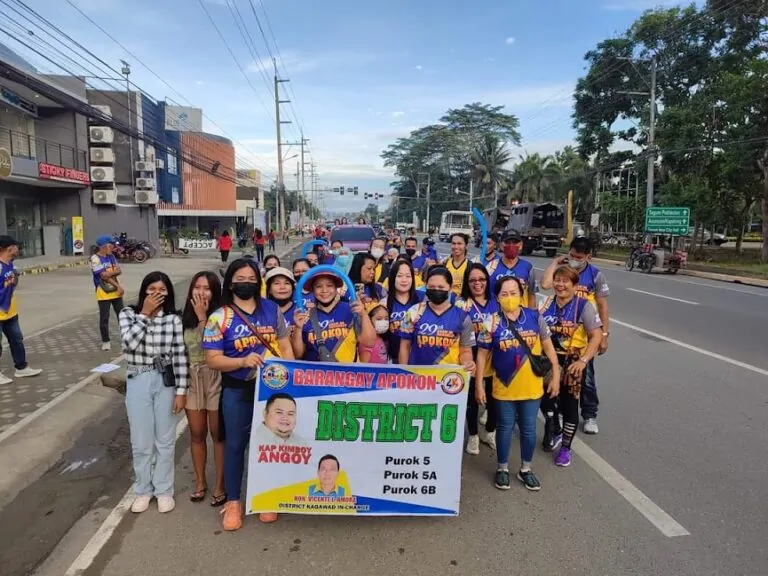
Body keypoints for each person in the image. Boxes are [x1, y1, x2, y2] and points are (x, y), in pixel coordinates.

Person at [202, 258, 294, 531]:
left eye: (251, 278)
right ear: (231, 283)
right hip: (237, 389)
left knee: (270, 445)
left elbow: (285, 347)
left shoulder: (271, 309)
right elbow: (213, 359)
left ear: (259, 281)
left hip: (271, 392)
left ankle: (266, 496)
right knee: (235, 446)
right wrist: (241, 362)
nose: (246, 283)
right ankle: (233, 502)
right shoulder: (220, 317)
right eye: (240, 279)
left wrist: (288, 378)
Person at [476, 276, 560, 491]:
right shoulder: (491, 321)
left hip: (532, 386)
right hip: (504, 385)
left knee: (529, 429)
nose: (510, 297)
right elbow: (482, 356)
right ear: (497, 297)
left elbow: (549, 347)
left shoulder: (534, 317)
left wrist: (556, 377)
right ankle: (502, 469)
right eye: (504, 294)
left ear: (521, 294)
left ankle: (525, 469)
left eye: (514, 293)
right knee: (504, 427)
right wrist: (478, 385)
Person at [119, 271, 189, 514]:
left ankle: (163, 490)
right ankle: (143, 489)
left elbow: (180, 354)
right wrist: (145, 315)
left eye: (162, 290)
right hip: (138, 377)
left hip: (165, 380)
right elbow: (129, 344)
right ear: (144, 291)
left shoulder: (173, 319)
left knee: (165, 439)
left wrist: (182, 390)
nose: (157, 294)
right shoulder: (128, 314)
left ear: (168, 292)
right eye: (152, 290)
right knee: (141, 441)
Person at [539, 236, 609, 435]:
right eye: (571, 255)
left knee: (586, 378)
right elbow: (545, 285)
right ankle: (560, 413)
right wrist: (555, 263)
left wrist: (604, 334)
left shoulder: (595, 275)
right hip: (558, 337)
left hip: (582, 339)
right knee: (555, 379)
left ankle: (589, 414)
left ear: (588, 256)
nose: (574, 259)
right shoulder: (561, 272)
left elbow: (602, 306)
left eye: (579, 257)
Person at [539, 265, 603, 465]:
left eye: (565, 281)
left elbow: (596, 335)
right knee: (545, 401)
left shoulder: (584, 306)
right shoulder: (547, 302)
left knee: (569, 407)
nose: (560, 285)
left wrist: (584, 361)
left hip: (572, 361)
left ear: (575, 285)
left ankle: (566, 448)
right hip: (548, 361)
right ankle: (555, 428)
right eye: (557, 280)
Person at [181, 271, 225, 507]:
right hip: (192, 378)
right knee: (197, 433)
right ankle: (200, 481)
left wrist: (202, 318)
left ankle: (220, 484)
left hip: (216, 376)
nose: (201, 292)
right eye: (197, 287)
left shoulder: (223, 315)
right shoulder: (183, 317)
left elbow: (211, 344)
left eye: (207, 288)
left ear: (215, 292)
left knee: (218, 434)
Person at [397, 266, 475, 374]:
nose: (436, 290)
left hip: (448, 381)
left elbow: (466, 350)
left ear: (450, 288)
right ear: (426, 286)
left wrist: (468, 362)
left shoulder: (463, 317)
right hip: (417, 379)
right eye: (432, 287)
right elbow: (404, 346)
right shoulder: (414, 312)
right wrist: (404, 373)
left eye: (441, 287)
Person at [457, 263, 498, 454]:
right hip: (472, 357)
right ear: (467, 282)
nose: (477, 283)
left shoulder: (496, 302)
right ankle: (472, 435)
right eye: (472, 280)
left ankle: (490, 431)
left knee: (495, 399)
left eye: (481, 279)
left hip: (495, 358)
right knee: (472, 400)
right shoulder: (460, 303)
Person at [292, 270, 375, 363]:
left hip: (346, 374)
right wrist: (298, 328)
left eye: (329, 285)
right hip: (315, 375)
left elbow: (369, 342)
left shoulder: (351, 309)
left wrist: (363, 314)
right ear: (312, 290)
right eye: (319, 286)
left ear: (336, 288)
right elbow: (298, 354)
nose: (324, 290)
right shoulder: (305, 316)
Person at [0, 236, 42, 384]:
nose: (18, 249)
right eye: (15, 246)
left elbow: (11, 285)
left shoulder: (10, 264)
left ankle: (21, 368)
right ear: (8, 248)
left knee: (17, 339)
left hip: (11, 311)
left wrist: (15, 277)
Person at [91, 235, 125, 352]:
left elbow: (118, 271)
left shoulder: (111, 257)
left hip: (116, 291)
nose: (112, 247)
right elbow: (103, 276)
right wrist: (117, 284)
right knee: (104, 318)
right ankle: (106, 341)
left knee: (122, 316)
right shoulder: (95, 259)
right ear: (103, 246)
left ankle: (125, 340)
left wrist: (111, 274)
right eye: (110, 245)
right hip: (103, 292)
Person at [384, 259, 423, 361]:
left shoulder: (423, 299)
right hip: (393, 358)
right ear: (393, 278)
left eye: (408, 276)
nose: (404, 280)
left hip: (419, 359)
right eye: (400, 276)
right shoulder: (384, 303)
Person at [489, 229, 537, 308]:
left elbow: (531, 294)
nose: (511, 246)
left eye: (515, 243)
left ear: (521, 245)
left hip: (521, 316)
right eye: (507, 243)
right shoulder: (491, 266)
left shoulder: (528, 267)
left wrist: (532, 315)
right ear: (501, 245)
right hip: (496, 315)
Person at [265, 267, 297, 338]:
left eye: (287, 283)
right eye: (277, 283)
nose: (282, 287)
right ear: (269, 289)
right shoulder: (262, 312)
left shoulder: (300, 311)